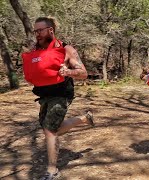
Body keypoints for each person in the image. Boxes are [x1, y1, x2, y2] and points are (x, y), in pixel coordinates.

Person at [22, 17, 95, 180]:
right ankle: (84, 118)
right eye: (35, 31)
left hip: (62, 93)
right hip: (44, 94)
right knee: (50, 128)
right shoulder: (35, 50)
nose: (37, 34)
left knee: (49, 130)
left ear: (50, 30)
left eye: (40, 30)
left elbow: (83, 73)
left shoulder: (66, 49)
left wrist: (68, 72)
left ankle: (52, 171)